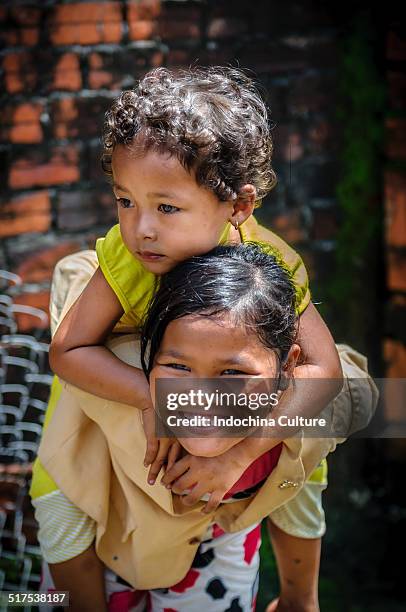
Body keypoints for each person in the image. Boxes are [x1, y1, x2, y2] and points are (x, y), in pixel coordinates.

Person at [30, 66, 346, 609]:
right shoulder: (125, 261)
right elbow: (69, 351)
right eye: (125, 201)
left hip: (227, 433)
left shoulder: (264, 266)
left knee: (307, 447)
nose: (141, 227)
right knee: (58, 507)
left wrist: (236, 456)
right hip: (98, 415)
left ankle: (300, 598)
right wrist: (158, 399)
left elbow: (325, 374)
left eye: (166, 207)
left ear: (239, 207)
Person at [33, 243, 372, 611]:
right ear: (149, 359)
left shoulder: (305, 406)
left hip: (215, 541)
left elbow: (306, 464)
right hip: (105, 535)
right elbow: (75, 271)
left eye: (232, 373)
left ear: (288, 368)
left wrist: (300, 598)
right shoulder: (115, 381)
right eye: (178, 368)